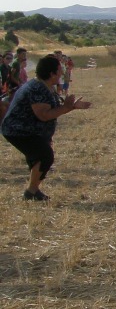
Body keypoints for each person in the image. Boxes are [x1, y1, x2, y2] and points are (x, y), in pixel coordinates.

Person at [2, 54, 92, 201]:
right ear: (52, 73)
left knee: (39, 156)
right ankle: (31, 192)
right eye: (59, 70)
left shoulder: (44, 86)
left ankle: (33, 190)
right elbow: (43, 115)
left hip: (27, 130)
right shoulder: (37, 88)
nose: (62, 73)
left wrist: (72, 106)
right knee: (45, 155)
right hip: (18, 130)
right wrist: (67, 108)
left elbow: (54, 107)